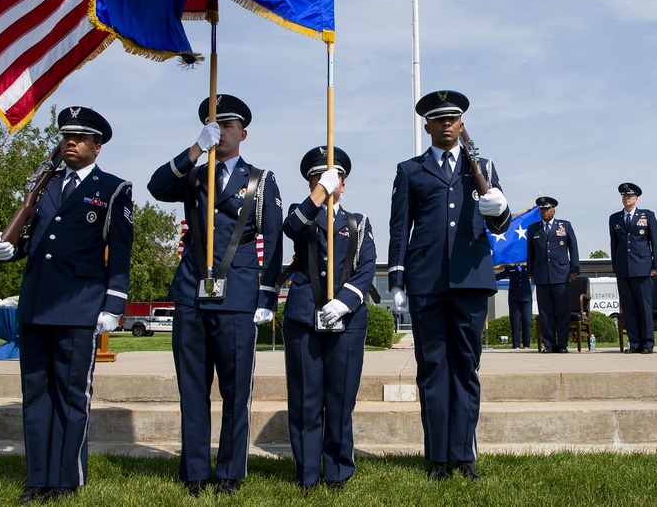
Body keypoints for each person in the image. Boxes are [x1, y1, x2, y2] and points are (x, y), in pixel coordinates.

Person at [0, 107, 133, 504]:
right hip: (35, 305)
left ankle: (66, 478)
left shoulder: (114, 189)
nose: (71, 142)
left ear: (97, 147)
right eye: (67, 135)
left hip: (79, 306)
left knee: (71, 397)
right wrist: (5, 246)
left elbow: (120, 253)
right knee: (35, 394)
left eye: (81, 137)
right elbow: (34, 241)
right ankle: (38, 479)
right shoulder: (44, 185)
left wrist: (113, 304)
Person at [148, 94, 283, 496]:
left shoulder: (259, 180)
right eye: (214, 124)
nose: (221, 131)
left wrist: (266, 297)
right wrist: (194, 149)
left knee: (235, 390)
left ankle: (229, 471)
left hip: (237, 296)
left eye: (228, 125)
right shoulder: (194, 174)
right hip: (192, 291)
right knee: (192, 389)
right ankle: (194, 472)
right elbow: (157, 186)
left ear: (243, 132)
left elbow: (273, 242)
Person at [388, 90, 511, 481]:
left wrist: (501, 209)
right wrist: (397, 277)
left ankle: (464, 453)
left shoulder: (483, 166)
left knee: (466, 367)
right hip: (427, 281)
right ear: (426, 126)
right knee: (433, 367)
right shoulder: (410, 170)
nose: (446, 125)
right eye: (438, 119)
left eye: (453, 118)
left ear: (461, 124)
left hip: (471, 279)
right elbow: (399, 228)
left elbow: (498, 224)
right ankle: (438, 457)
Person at [281, 146, 377, 491]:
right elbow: (293, 227)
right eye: (318, 179)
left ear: (344, 184)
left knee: (339, 400)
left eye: (335, 179)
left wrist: (346, 302)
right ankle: (306, 473)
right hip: (304, 316)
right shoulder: (301, 213)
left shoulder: (358, 223)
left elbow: (366, 268)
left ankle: (337, 470)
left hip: (347, 322)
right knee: (306, 399)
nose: (328, 184)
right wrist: (319, 193)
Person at [609, 182, 657, 354]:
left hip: (643, 267)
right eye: (624, 196)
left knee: (644, 307)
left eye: (630, 196)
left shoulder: (647, 215)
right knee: (629, 307)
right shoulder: (615, 218)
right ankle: (634, 343)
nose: (627, 198)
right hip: (623, 268)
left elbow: (655, 241)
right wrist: (615, 266)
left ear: (636, 198)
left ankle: (647, 343)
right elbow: (614, 244)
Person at [527, 196, 580, 353]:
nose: (544, 212)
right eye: (542, 209)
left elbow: (573, 249)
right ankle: (549, 344)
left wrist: (574, 270)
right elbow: (530, 253)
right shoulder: (533, 229)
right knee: (545, 312)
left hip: (561, 275)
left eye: (547, 209)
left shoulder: (564, 226)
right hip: (542, 276)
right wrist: (531, 273)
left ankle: (562, 344)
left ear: (553, 210)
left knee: (563, 311)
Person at [498, 264, 531, 349]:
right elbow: (500, 275)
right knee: (515, 322)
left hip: (526, 297)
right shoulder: (510, 267)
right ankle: (516, 345)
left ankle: (526, 344)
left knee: (527, 320)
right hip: (514, 297)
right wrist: (488, 274)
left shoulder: (527, 266)